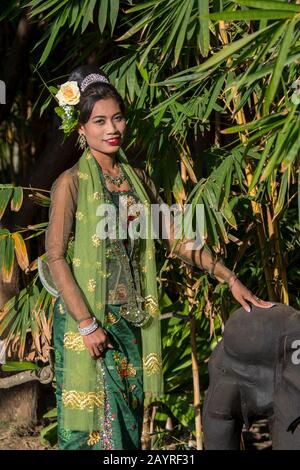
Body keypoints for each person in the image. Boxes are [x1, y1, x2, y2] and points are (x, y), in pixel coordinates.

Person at [44, 65, 274, 450]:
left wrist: (228, 277)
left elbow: (177, 239)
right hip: (88, 322)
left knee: (127, 428)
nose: (112, 128)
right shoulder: (70, 184)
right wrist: (86, 324)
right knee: (94, 432)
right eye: (99, 121)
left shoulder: (138, 180)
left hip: (129, 321)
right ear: (81, 129)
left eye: (117, 117)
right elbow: (55, 258)